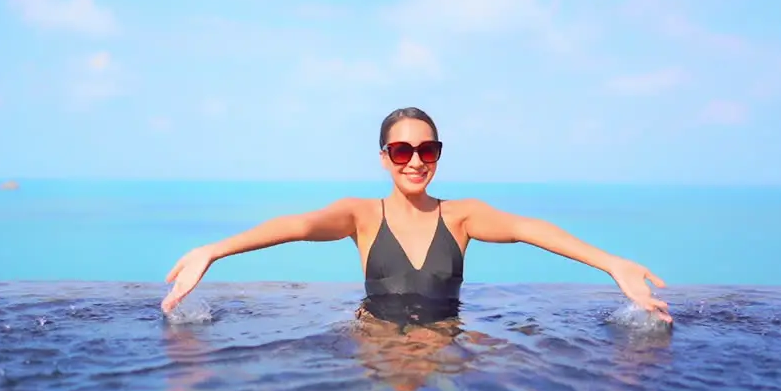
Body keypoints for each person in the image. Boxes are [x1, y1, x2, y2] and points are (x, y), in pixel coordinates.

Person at [161, 106, 671, 323]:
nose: (415, 161)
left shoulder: (462, 217)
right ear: (384, 157)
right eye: (402, 151)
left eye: (427, 150)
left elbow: (528, 229)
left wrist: (612, 263)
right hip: (374, 347)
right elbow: (294, 227)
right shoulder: (361, 215)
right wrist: (213, 250)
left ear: (438, 154)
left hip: (446, 348)